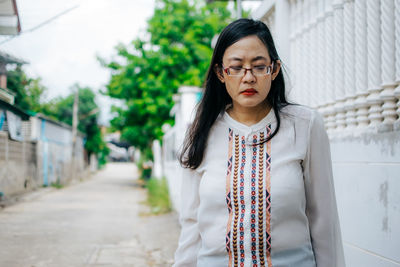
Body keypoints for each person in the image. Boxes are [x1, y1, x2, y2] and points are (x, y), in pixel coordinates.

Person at [173, 18, 345, 267]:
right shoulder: (200, 132)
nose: (248, 77)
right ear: (221, 73)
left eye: (259, 66)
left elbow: (324, 220)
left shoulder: (305, 125)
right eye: (236, 67)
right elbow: (190, 227)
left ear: (274, 70)